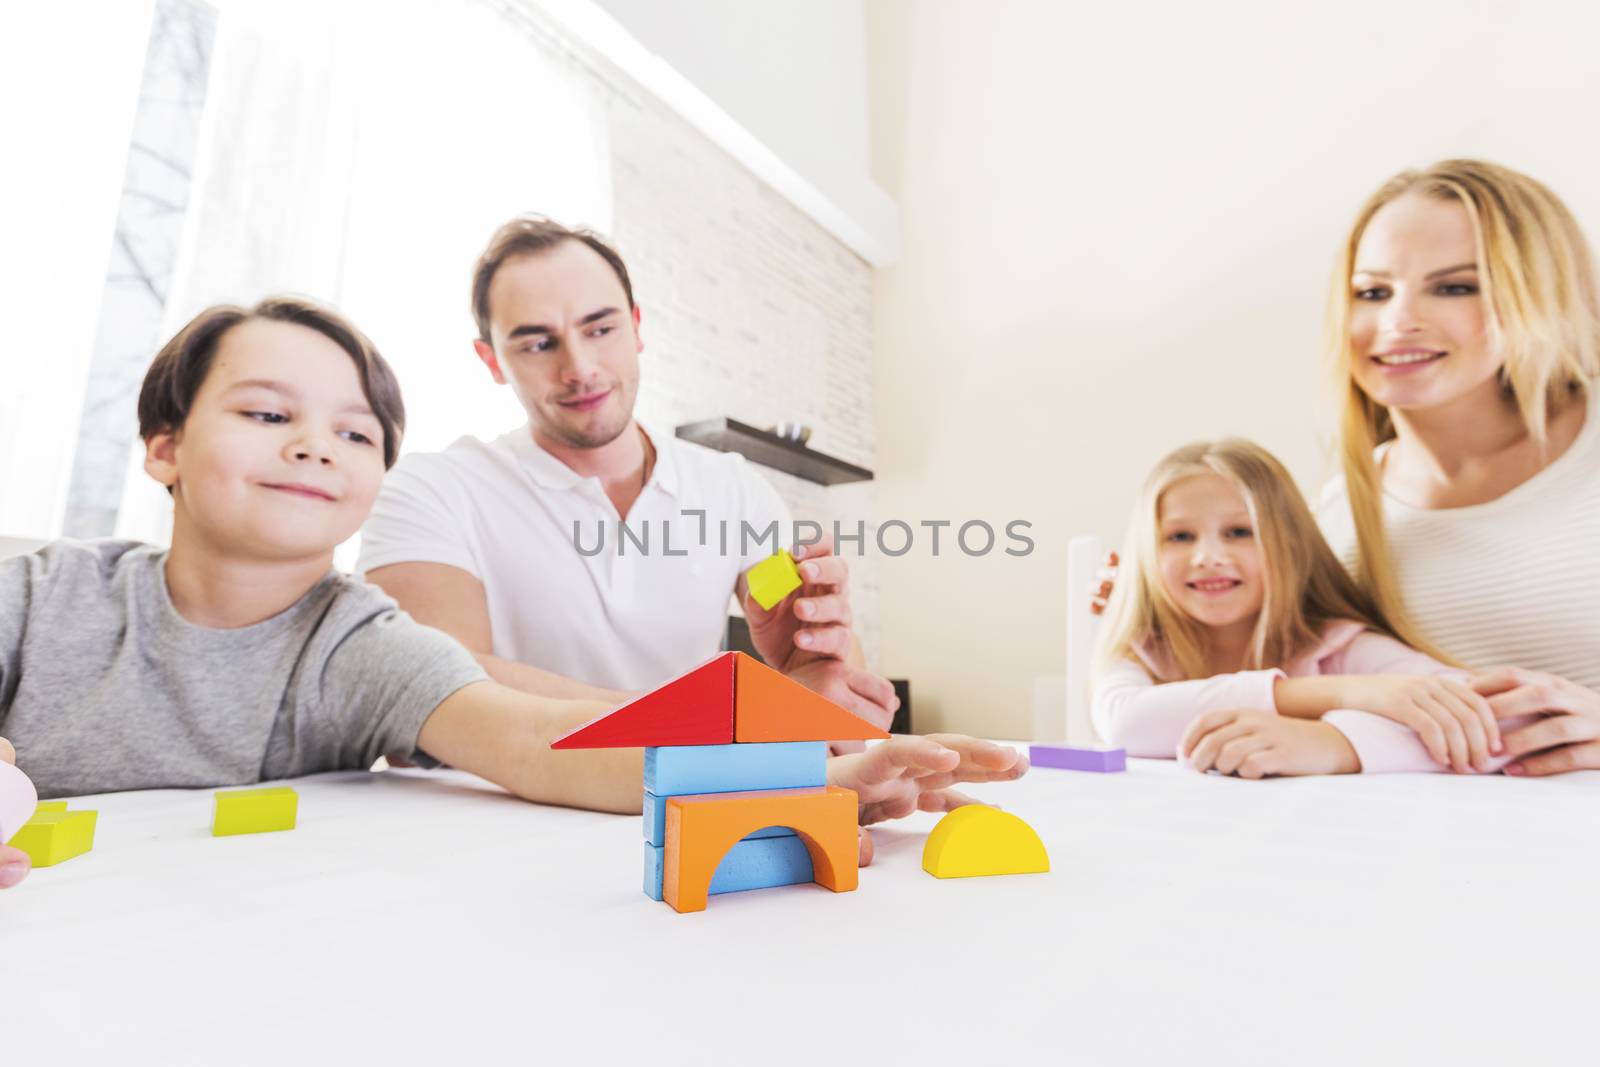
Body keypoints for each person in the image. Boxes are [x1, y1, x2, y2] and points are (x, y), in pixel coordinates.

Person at [0, 298, 1026, 888]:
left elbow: (543, 744)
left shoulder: (360, 641)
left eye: (357, 433)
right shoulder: (41, 596)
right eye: (268, 413)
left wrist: (803, 770)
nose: (316, 442)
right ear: (165, 447)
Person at [356, 217, 897, 739]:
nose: (580, 367)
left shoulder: (733, 494)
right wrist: (727, 715)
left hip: (689, 803)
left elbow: (828, 680)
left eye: (601, 328)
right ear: (492, 360)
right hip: (499, 816)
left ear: (637, 327)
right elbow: (434, 686)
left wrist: (818, 664)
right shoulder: (433, 491)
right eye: (538, 343)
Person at [1317, 160, 1600, 777]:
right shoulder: (1338, 517)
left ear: (1538, 294)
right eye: (1372, 292)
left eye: (1454, 287)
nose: (1397, 320)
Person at [1092, 439, 1530, 778]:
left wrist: (1331, 743)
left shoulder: (1339, 647)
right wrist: (1345, 694)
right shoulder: (1143, 648)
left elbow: (1499, 722)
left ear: (1290, 545)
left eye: (1240, 532)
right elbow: (1127, 723)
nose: (1208, 555)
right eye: (1180, 537)